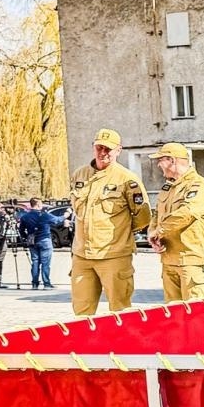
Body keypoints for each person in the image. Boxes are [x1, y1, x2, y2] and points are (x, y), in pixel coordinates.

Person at [69, 128, 150, 315]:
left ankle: (122, 345)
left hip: (113, 255)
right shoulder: (80, 175)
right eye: (99, 147)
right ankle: (87, 345)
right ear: (93, 148)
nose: (103, 153)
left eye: (108, 149)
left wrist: (121, 234)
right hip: (82, 255)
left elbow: (142, 215)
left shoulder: (127, 179)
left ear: (118, 150)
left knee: (120, 310)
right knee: (81, 312)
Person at [148, 143, 204, 302]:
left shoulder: (199, 186)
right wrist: (153, 234)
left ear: (172, 160)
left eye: (161, 160)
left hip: (192, 262)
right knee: (174, 318)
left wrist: (159, 231)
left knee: (197, 316)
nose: (158, 165)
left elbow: (187, 213)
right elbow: (157, 213)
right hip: (169, 261)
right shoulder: (168, 188)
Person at [18, 197, 68, 289]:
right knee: (45, 263)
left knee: (35, 262)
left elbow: (21, 230)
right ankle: (46, 283)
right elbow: (57, 220)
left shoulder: (25, 217)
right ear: (38, 205)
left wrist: (27, 237)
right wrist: (66, 215)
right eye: (41, 204)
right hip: (45, 240)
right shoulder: (44, 215)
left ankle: (35, 284)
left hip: (32, 241)